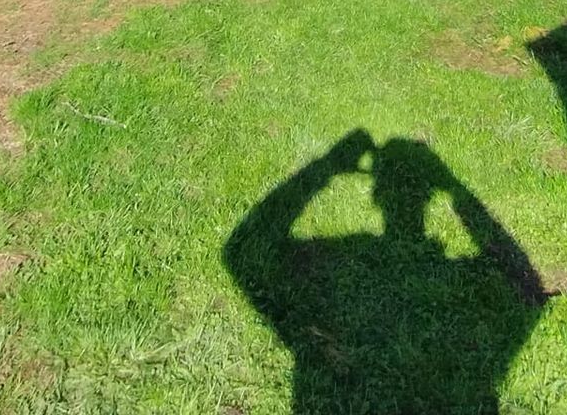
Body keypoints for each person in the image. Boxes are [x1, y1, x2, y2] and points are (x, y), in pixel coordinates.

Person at [225, 129, 547, 414]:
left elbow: (241, 252)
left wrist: (330, 164)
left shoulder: (348, 259)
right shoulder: (468, 297)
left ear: (377, 197)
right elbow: (526, 282)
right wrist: (453, 187)